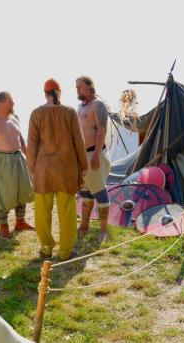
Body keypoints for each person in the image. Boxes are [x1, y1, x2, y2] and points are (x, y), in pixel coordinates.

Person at [27, 79, 88, 260]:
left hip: (43, 170)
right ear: (59, 92)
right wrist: (83, 167)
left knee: (42, 212)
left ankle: (46, 249)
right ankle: (65, 252)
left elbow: (31, 146)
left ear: (45, 94)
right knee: (67, 212)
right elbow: (79, 141)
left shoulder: (36, 113)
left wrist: (33, 169)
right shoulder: (69, 112)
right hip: (66, 170)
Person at [0, 91, 35, 238]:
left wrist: (29, 156)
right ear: (0, 103)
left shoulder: (14, 117)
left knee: (22, 190)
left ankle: (20, 222)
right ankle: (3, 226)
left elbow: (20, 139)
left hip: (18, 159)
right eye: (10, 101)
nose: (13, 104)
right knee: (2, 193)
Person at [76, 76, 112, 243]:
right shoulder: (81, 106)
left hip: (94, 154)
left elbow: (102, 130)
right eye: (76, 87)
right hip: (83, 156)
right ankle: (84, 225)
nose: (77, 90)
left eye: (80, 87)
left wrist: (96, 156)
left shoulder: (98, 104)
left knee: (99, 192)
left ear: (90, 87)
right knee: (85, 192)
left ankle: (104, 231)